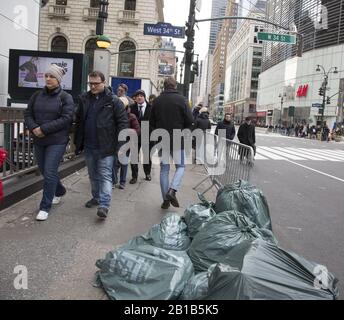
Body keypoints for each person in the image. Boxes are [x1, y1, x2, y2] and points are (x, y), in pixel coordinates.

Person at [74, 71, 128, 219]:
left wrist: (120, 145)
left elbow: (123, 123)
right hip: (89, 145)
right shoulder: (84, 99)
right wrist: (77, 142)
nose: (92, 86)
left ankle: (104, 205)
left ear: (103, 82)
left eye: (96, 83)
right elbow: (78, 121)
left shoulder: (114, 101)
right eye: (90, 83)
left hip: (107, 146)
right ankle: (96, 197)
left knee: (104, 175)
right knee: (92, 175)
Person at [24, 64, 74, 221]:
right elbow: (28, 114)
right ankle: (59, 191)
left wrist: (43, 129)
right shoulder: (36, 95)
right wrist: (34, 128)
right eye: (46, 76)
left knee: (50, 171)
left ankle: (45, 207)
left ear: (58, 79)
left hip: (57, 141)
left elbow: (66, 119)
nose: (48, 78)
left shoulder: (65, 97)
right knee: (45, 171)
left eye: (51, 76)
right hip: (39, 139)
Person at [150, 77, 194, 209]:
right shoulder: (182, 100)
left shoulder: (157, 101)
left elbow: (151, 122)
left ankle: (165, 200)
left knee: (164, 170)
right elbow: (190, 120)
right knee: (180, 166)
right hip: (177, 138)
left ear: (164, 86)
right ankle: (172, 190)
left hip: (161, 139)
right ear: (175, 86)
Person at [112, 96, 140, 189]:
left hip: (126, 142)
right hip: (115, 141)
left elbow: (137, 130)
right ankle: (113, 181)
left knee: (123, 163)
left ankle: (122, 182)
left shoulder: (131, 116)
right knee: (115, 162)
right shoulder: (113, 115)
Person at [129, 89, 153, 183]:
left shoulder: (151, 108)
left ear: (144, 97)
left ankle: (147, 173)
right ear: (135, 98)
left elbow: (154, 121)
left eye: (141, 96)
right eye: (137, 96)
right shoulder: (131, 107)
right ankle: (134, 176)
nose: (139, 97)